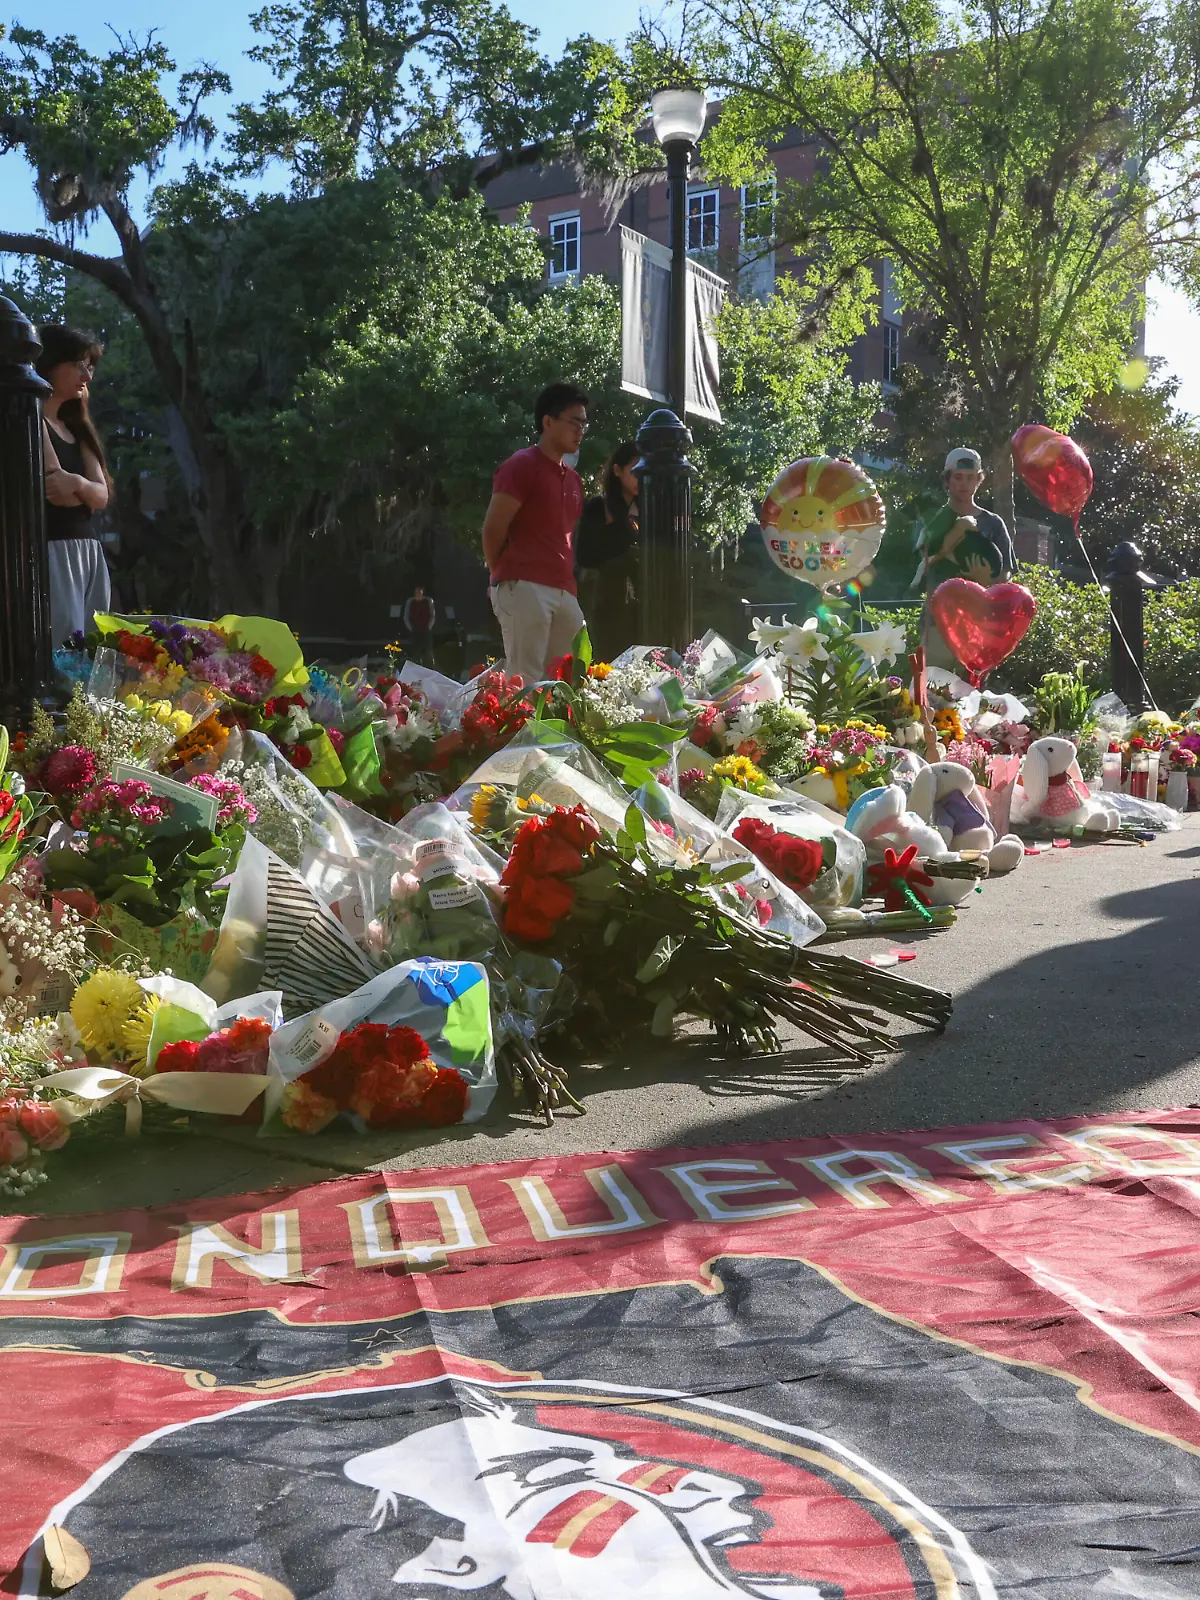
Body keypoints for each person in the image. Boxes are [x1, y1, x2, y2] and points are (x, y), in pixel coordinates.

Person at [482, 382, 588, 685]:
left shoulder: (575, 481)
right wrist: (502, 577)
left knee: (571, 680)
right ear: (548, 421)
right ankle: (515, 734)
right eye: (574, 421)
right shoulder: (521, 465)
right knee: (524, 681)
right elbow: (493, 529)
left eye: (584, 423)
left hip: (564, 590)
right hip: (524, 584)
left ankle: (559, 735)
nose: (580, 430)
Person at [36, 324, 112, 644]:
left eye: (90, 366)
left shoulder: (77, 429)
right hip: (54, 551)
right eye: (79, 365)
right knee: (63, 650)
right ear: (52, 364)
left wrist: (79, 483)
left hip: (89, 552)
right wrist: (84, 490)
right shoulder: (32, 420)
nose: (87, 376)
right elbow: (57, 490)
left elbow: (102, 495)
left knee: (95, 648)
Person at [914, 446, 1016, 672]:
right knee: (931, 694)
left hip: (977, 628)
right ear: (947, 480)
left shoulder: (994, 523)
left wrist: (986, 580)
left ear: (979, 480)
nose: (964, 484)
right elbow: (923, 562)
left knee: (972, 698)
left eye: (971, 478)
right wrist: (957, 532)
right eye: (958, 477)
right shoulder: (933, 519)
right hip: (937, 626)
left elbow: (1007, 573)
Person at [576, 440, 640, 660]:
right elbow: (584, 555)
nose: (640, 478)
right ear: (617, 470)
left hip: (640, 607)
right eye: (634, 471)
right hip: (607, 603)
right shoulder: (598, 507)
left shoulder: (649, 509)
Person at [402, 584, 436, 665]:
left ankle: (429, 669)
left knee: (428, 652)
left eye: (420, 592)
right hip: (415, 631)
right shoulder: (411, 602)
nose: (418, 594)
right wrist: (411, 628)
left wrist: (429, 627)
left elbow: (432, 615)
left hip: (425, 630)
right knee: (415, 653)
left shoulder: (428, 601)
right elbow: (406, 616)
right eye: (417, 592)